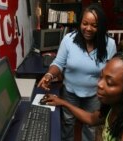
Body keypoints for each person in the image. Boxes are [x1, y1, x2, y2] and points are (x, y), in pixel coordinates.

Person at [37, 3, 117, 141]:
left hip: (94, 94)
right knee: (67, 123)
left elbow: (111, 72)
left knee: (90, 127)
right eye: (85, 23)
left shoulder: (109, 44)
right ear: (80, 22)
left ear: (101, 27)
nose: (88, 28)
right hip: (70, 92)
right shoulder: (69, 40)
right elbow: (58, 63)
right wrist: (49, 75)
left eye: (94, 25)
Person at [43, 53, 123, 141]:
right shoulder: (115, 108)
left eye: (109, 82)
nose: (99, 84)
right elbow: (91, 118)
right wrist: (63, 102)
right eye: (101, 77)